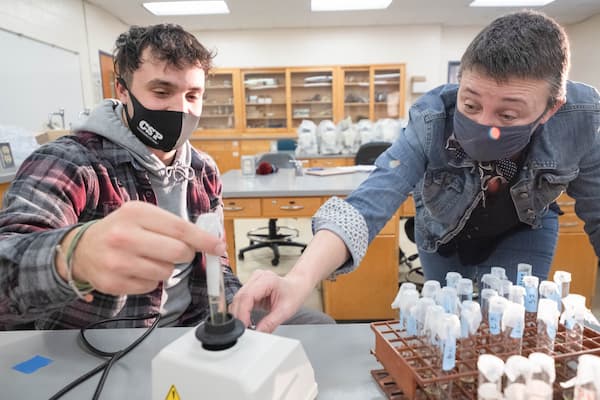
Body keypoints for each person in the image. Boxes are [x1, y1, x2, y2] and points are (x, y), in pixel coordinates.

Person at [231, 10, 600, 332]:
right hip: (442, 232)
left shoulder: (583, 120)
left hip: (524, 229)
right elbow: (368, 203)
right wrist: (298, 280)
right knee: (445, 322)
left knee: (511, 326)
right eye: (470, 104)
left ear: (551, 109)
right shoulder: (431, 119)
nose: (485, 125)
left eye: (507, 115)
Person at [0, 24, 332, 330]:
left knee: (317, 328)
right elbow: (6, 270)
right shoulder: (69, 162)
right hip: (105, 344)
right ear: (123, 90)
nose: (180, 109)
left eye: (192, 96)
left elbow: (216, 265)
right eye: (161, 92)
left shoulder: (203, 170)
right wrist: (71, 256)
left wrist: (235, 299)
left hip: (196, 327)